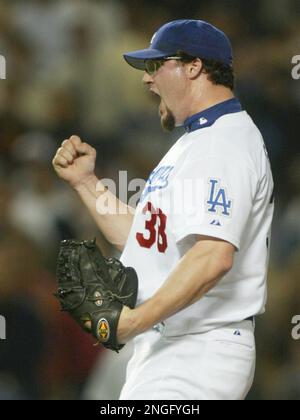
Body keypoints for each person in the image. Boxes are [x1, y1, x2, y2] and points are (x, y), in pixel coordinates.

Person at [52, 19, 274, 400]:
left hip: (200, 346)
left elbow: (214, 256)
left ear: (194, 67)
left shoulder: (225, 143)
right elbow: (145, 238)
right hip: (174, 345)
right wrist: (86, 183)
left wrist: (136, 320)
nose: (146, 79)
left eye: (157, 65)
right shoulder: (198, 140)